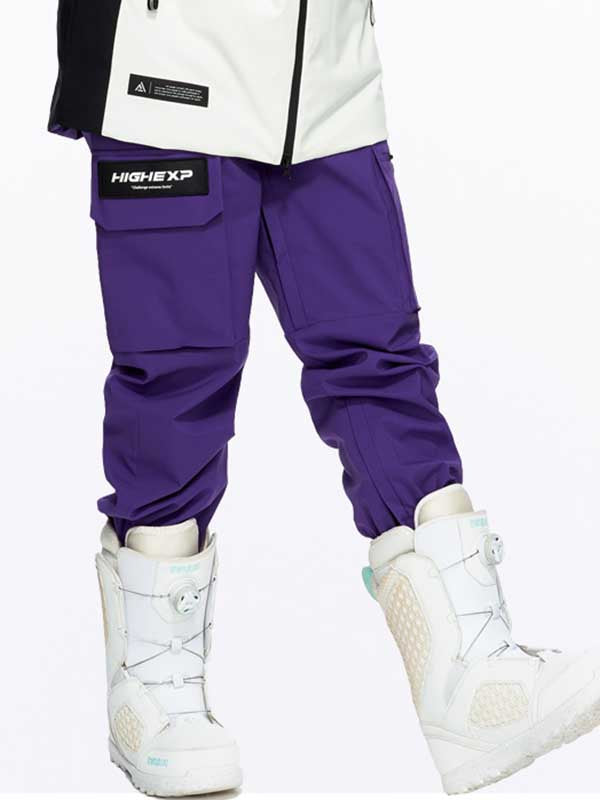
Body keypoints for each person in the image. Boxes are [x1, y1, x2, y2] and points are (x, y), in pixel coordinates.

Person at [49, 1, 600, 795]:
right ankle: (154, 698)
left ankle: (471, 681)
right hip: (169, 70)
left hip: (327, 78)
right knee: (179, 375)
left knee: (381, 358)